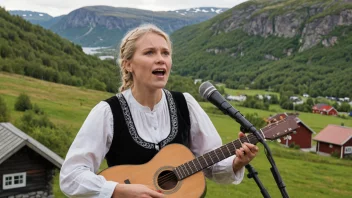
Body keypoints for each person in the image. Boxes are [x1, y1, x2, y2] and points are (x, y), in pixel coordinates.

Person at [60, 24, 259, 198]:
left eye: (165, 53)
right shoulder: (108, 112)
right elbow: (71, 176)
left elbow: (212, 165)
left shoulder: (185, 104)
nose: (160, 59)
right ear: (128, 64)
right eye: (150, 53)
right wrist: (117, 190)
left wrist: (236, 162)